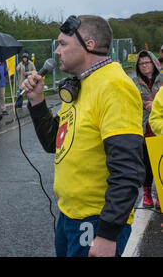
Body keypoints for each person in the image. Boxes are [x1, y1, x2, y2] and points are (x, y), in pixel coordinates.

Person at [21, 15, 145, 257]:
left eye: (63, 44)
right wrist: (37, 102)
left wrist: (108, 234)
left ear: (88, 45)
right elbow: (54, 143)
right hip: (69, 214)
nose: (57, 51)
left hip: (96, 219)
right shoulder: (80, 83)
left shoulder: (114, 86)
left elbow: (128, 170)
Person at [132, 50, 163, 209]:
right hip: (143, 128)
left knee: (160, 162)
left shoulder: (162, 79)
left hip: (160, 128)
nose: (144, 66)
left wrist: (155, 105)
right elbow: (131, 101)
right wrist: (147, 104)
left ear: (153, 63)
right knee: (146, 164)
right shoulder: (133, 82)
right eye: (141, 63)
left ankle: (160, 194)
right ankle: (146, 193)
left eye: (147, 62)